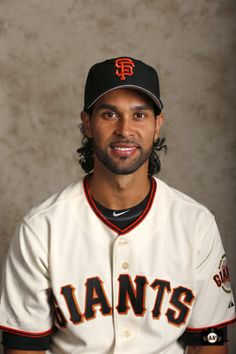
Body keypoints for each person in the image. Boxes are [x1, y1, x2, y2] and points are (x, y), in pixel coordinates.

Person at [0, 57, 235, 354]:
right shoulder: (40, 229)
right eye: (110, 114)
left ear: (157, 125)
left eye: (139, 115)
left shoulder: (195, 224)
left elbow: (209, 345)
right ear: (87, 123)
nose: (125, 129)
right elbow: (23, 349)